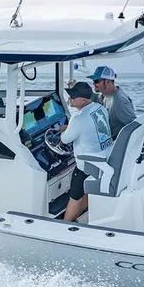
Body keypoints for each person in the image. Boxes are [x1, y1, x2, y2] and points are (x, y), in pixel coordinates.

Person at [59, 81, 113, 222]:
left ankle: (65, 224)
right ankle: (81, 213)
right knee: (88, 186)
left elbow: (65, 140)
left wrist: (62, 131)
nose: (70, 99)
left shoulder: (77, 119)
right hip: (106, 157)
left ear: (83, 99)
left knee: (75, 194)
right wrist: (70, 127)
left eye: (73, 97)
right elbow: (90, 128)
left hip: (89, 163)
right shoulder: (100, 108)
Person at [87, 65, 137, 139]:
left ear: (107, 82)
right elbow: (95, 97)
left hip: (115, 144)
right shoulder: (106, 94)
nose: (94, 84)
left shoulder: (119, 101)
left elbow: (134, 127)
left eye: (96, 81)